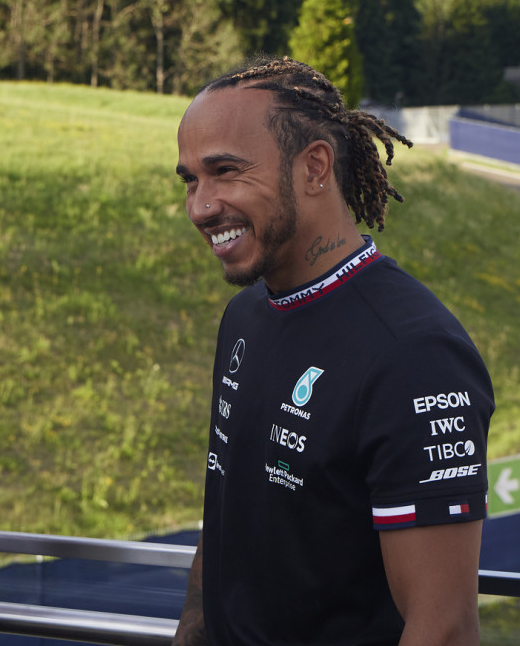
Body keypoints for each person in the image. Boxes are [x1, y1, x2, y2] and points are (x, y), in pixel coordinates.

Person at [171, 56, 494, 646]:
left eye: (225, 171)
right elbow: (225, 516)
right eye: (191, 179)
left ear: (314, 167)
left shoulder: (415, 355)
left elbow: (444, 628)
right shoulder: (244, 316)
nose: (200, 206)